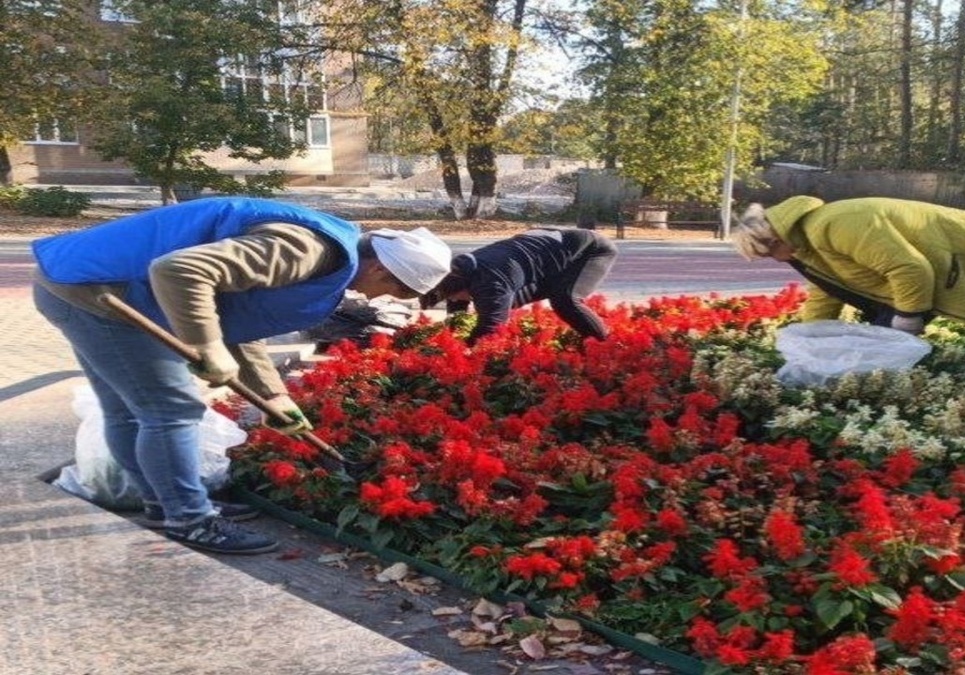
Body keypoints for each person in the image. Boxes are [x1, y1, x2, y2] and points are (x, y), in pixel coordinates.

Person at [31, 196, 452, 554]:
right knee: (170, 410)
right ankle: (189, 519)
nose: (381, 298)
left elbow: (241, 316)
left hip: (85, 284)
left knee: (130, 409)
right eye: (398, 292)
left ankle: (163, 500)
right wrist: (207, 346)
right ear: (382, 270)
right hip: (100, 295)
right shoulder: (305, 250)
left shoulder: (328, 254)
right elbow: (179, 271)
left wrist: (273, 397)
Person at [731, 195, 965, 392]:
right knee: (883, 348)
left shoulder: (833, 225)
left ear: (774, 237)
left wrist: (908, 320)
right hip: (928, 281)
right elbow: (827, 291)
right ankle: (896, 403)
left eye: (768, 251)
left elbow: (911, 269)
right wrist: (810, 339)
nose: (774, 259)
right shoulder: (805, 245)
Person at [421, 228, 618, 345]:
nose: (453, 301)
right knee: (507, 303)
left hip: (589, 249)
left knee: (564, 299)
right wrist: (451, 339)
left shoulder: (491, 282)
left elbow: (491, 328)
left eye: (452, 297)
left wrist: (465, 352)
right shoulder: (458, 272)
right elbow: (457, 314)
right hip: (545, 255)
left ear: (461, 286)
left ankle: (604, 346)